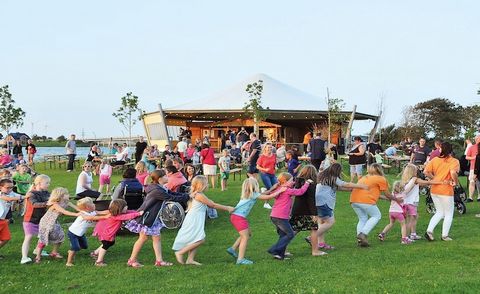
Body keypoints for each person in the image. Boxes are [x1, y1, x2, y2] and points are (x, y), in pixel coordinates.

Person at [125, 169, 189, 268]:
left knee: (155, 238)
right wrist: (187, 197)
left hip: (152, 217)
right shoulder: (157, 191)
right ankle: (132, 260)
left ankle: (159, 261)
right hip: (146, 217)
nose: (167, 177)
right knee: (143, 238)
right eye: (165, 176)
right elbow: (171, 197)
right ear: (159, 179)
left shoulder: (160, 188)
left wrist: (186, 195)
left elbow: (173, 194)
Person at [172, 175, 234, 265]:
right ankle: (180, 252)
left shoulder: (199, 194)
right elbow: (212, 205)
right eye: (206, 183)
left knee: (196, 238)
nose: (208, 185)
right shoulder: (199, 195)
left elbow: (210, 203)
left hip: (196, 218)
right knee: (200, 239)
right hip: (194, 219)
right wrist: (227, 208)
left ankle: (190, 259)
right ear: (201, 185)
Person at [227, 177, 285, 265]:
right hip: (239, 218)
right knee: (245, 237)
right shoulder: (253, 195)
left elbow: (263, 194)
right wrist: (280, 191)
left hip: (237, 217)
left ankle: (232, 249)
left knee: (247, 234)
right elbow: (268, 196)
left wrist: (273, 188)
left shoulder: (248, 193)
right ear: (254, 186)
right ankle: (240, 259)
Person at [315, 163, 368, 251]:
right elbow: (345, 184)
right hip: (325, 203)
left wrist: (353, 189)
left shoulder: (324, 177)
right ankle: (313, 237)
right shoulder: (332, 177)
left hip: (318, 203)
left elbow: (339, 188)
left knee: (322, 223)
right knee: (330, 222)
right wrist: (360, 186)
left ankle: (321, 243)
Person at [266, 172, 312, 260]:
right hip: (280, 217)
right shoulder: (286, 190)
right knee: (290, 234)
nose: (293, 182)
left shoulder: (280, 189)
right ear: (285, 182)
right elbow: (300, 192)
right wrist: (307, 183)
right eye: (291, 181)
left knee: (283, 235)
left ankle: (280, 255)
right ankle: (274, 249)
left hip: (275, 216)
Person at [350, 163, 393, 247]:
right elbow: (388, 194)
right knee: (376, 215)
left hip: (354, 200)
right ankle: (363, 234)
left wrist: (386, 198)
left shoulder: (364, 177)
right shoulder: (381, 179)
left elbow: (375, 193)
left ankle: (360, 239)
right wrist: (395, 199)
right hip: (365, 201)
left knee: (362, 218)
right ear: (380, 170)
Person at [424, 142, 459, 241]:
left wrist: (435, 178)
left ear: (440, 149)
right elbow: (453, 172)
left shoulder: (435, 160)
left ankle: (429, 231)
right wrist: (455, 182)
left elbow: (426, 171)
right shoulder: (454, 161)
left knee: (439, 212)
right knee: (448, 213)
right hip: (446, 189)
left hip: (434, 188)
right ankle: (445, 235)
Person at [34, 187, 80, 263]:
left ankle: (54, 252)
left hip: (54, 222)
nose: (68, 195)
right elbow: (64, 211)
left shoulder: (67, 202)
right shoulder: (55, 204)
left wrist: (85, 211)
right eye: (66, 194)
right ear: (60, 195)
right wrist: (76, 214)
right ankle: (38, 256)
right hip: (46, 223)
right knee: (44, 239)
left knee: (60, 236)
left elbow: (77, 208)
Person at [91, 199, 142, 266]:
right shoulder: (116, 216)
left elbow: (129, 212)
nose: (127, 207)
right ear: (120, 208)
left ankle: (95, 253)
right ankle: (99, 261)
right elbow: (127, 216)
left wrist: (136, 211)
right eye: (125, 206)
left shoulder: (117, 213)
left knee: (110, 243)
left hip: (106, 231)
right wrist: (138, 214)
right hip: (105, 232)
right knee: (106, 245)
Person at [399, 164, 443, 240]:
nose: (417, 172)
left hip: (406, 202)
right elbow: (426, 183)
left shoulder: (405, 180)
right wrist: (439, 182)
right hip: (412, 202)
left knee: (413, 217)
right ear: (413, 172)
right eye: (416, 171)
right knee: (412, 219)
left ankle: (412, 234)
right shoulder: (415, 179)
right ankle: (406, 237)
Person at [289, 165, 323, 256]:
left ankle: (281, 249)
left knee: (293, 230)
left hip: (296, 210)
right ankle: (315, 251)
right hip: (307, 211)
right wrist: (315, 214)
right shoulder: (311, 185)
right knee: (314, 229)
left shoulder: (298, 183)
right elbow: (311, 200)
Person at [66, 197, 110, 267]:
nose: (94, 204)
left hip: (81, 234)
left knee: (84, 246)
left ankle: (72, 251)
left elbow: (102, 212)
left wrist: (113, 211)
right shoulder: (83, 214)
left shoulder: (93, 212)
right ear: (87, 207)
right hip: (73, 233)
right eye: (92, 203)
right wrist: (104, 217)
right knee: (75, 247)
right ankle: (69, 262)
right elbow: (90, 218)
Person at [21, 175, 51, 264]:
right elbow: (35, 204)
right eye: (47, 183)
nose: (48, 185)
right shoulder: (32, 194)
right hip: (30, 219)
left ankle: (37, 250)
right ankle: (24, 257)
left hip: (41, 219)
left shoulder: (46, 193)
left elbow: (52, 198)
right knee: (28, 237)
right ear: (39, 183)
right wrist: (47, 203)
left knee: (43, 236)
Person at [0, 179, 24, 258]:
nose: (10, 189)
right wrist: (23, 197)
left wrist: (25, 196)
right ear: (1, 187)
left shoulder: (11, 193)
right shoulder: (1, 194)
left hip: (3, 220)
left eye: (11, 188)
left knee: (6, 238)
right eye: (7, 188)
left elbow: (19, 196)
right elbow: (8, 199)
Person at [465, 135, 480, 202]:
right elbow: (467, 157)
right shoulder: (471, 147)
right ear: (476, 139)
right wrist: (474, 158)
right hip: (473, 167)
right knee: (472, 181)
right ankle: (470, 198)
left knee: (479, 182)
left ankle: (479, 197)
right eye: (478, 138)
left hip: (479, 167)